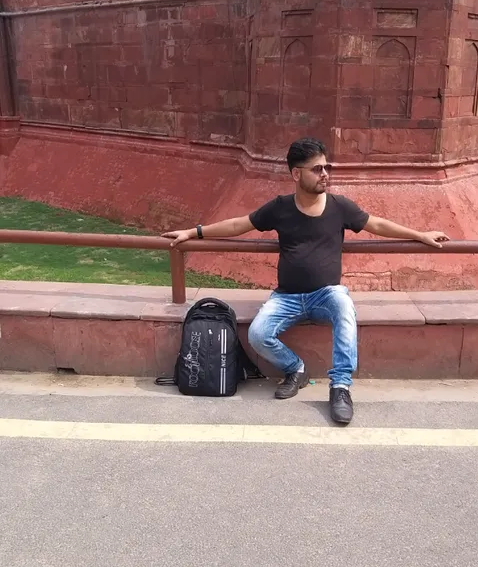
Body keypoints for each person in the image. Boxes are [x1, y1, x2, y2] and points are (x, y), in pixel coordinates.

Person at [163, 137, 449, 424]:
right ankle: (296, 368)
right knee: (258, 334)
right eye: (317, 169)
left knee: (344, 305)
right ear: (296, 174)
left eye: (327, 167)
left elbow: (377, 224)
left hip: (325, 294)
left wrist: (419, 234)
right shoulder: (280, 207)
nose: (325, 174)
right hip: (286, 297)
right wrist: (194, 232)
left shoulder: (340, 207)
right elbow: (240, 224)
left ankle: (340, 387)